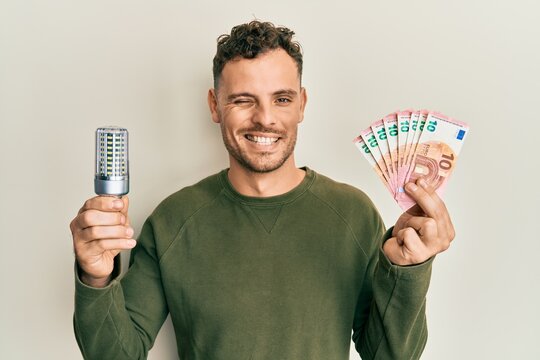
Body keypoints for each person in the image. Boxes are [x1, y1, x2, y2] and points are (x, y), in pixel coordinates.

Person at [70, 20, 455, 360]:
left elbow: (390, 356)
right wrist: (96, 278)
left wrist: (408, 271)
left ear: (301, 104)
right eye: (242, 100)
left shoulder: (353, 213)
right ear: (214, 105)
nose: (266, 119)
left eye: (282, 99)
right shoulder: (173, 220)